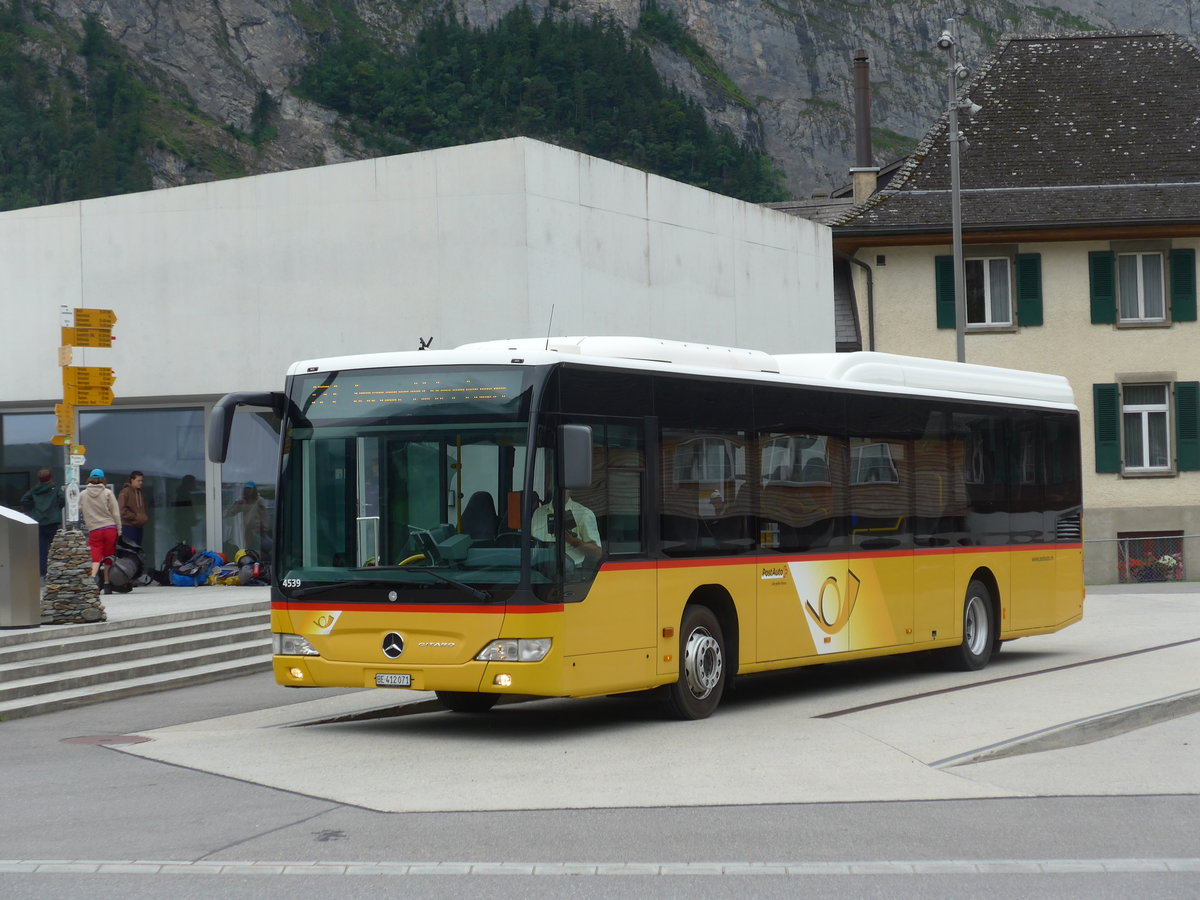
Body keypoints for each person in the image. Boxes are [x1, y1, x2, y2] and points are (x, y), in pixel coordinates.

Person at [531, 489, 602, 568]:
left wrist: (571, 540)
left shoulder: (583, 514)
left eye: (564, 485)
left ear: (570, 489)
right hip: (538, 569)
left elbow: (597, 552)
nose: (559, 488)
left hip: (570, 573)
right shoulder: (538, 512)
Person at [79, 468, 121, 594]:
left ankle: (91, 581)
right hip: (109, 528)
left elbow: (80, 509)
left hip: (94, 529)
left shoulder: (83, 494)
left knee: (95, 557)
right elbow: (115, 512)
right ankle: (107, 583)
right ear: (103, 479)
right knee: (108, 555)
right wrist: (119, 529)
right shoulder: (108, 493)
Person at [19, 469, 64, 577]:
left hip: (39, 522)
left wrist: (33, 510)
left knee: (42, 551)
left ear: (39, 479)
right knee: (56, 549)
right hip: (53, 522)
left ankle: (43, 574)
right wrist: (56, 509)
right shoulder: (55, 489)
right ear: (50, 478)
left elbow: (24, 500)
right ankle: (56, 573)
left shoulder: (34, 490)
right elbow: (62, 499)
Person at [225, 481, 270, 557]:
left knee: (263, 548)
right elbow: (231, 512)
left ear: (254, 490)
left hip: (259, 529)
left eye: (250, 489)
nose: (248, 491)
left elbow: (264, 515)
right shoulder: (243, 501)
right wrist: (237, 504)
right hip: (248, 530)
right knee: (250, 549)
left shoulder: (259, 501)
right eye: (247, 489)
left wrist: (265, 527)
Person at [118, 470, 149, 545]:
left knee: (138, 550)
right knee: (130, 550)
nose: (141, 483)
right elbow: (121, 510)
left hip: (139, 526)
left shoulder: (140, 493)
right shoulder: (125, 492)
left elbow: (144, 508)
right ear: (132, 480)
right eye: (138, 480)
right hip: (129, 526)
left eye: (142, 481)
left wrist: (144, 517)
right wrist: (135, 517)